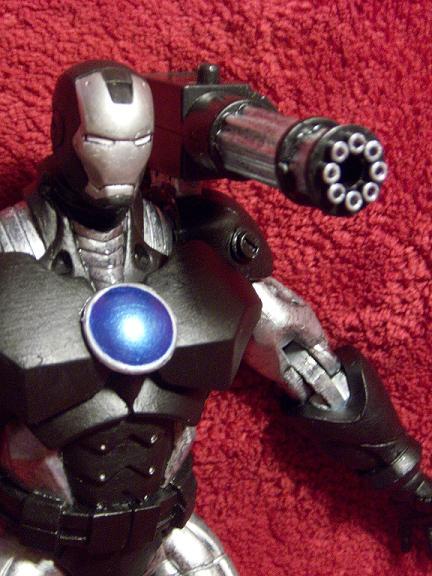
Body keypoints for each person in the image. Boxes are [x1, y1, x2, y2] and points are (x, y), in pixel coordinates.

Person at [0, 60, 429, 576]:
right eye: (102, 141)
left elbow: (307, 363)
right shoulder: (10, 247)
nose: (118, 160)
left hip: (166, 536)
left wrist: (410, 482)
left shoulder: (188, 244)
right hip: (33, 549)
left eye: (137, 141)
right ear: (63, 133)